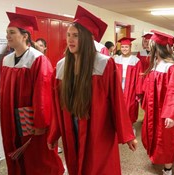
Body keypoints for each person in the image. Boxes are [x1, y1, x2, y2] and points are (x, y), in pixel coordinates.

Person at [47, 5, 137, 175]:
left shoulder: (103, 63)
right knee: (75, 162)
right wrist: (53, 134)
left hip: (97, 127)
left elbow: (116, 100)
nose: (71, 40)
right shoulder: (61, 66)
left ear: (88, 39)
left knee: (97, 166)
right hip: (71, 125)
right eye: (69, 35)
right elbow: (57, 106)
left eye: (76, 36)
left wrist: (127, 135)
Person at [0, 12, 64, 175]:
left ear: (25, 36)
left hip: (29, 119)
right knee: (14, 152)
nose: (8, 36)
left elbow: (43, 95)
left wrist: (40, 124)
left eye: (12, 32)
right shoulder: (6, 60)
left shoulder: (38, 59)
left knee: (36, 158)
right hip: (11, 118)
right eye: (7, 32)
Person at [141, 30, 174, 175]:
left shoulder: (171, 66)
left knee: (166, 138)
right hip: (153, 109)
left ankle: (168, 169)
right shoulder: (155, 64)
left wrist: (171, 115)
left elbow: (173, 92)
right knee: (152, 133)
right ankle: (155, 156)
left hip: (164, 110)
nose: (149, 46)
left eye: (151, 44)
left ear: (157, 46)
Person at [114, 37, 143, 127]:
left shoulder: (136, 61)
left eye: (126, 47)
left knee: (129, 107)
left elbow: (139, 78)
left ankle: (130, 127)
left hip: (131, 87)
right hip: (118, 86)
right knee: (118, 106)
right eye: (122, 47)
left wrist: (138, 92)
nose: (124, 49)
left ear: (130, 47)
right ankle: (119, 127)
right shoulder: (116, 59)